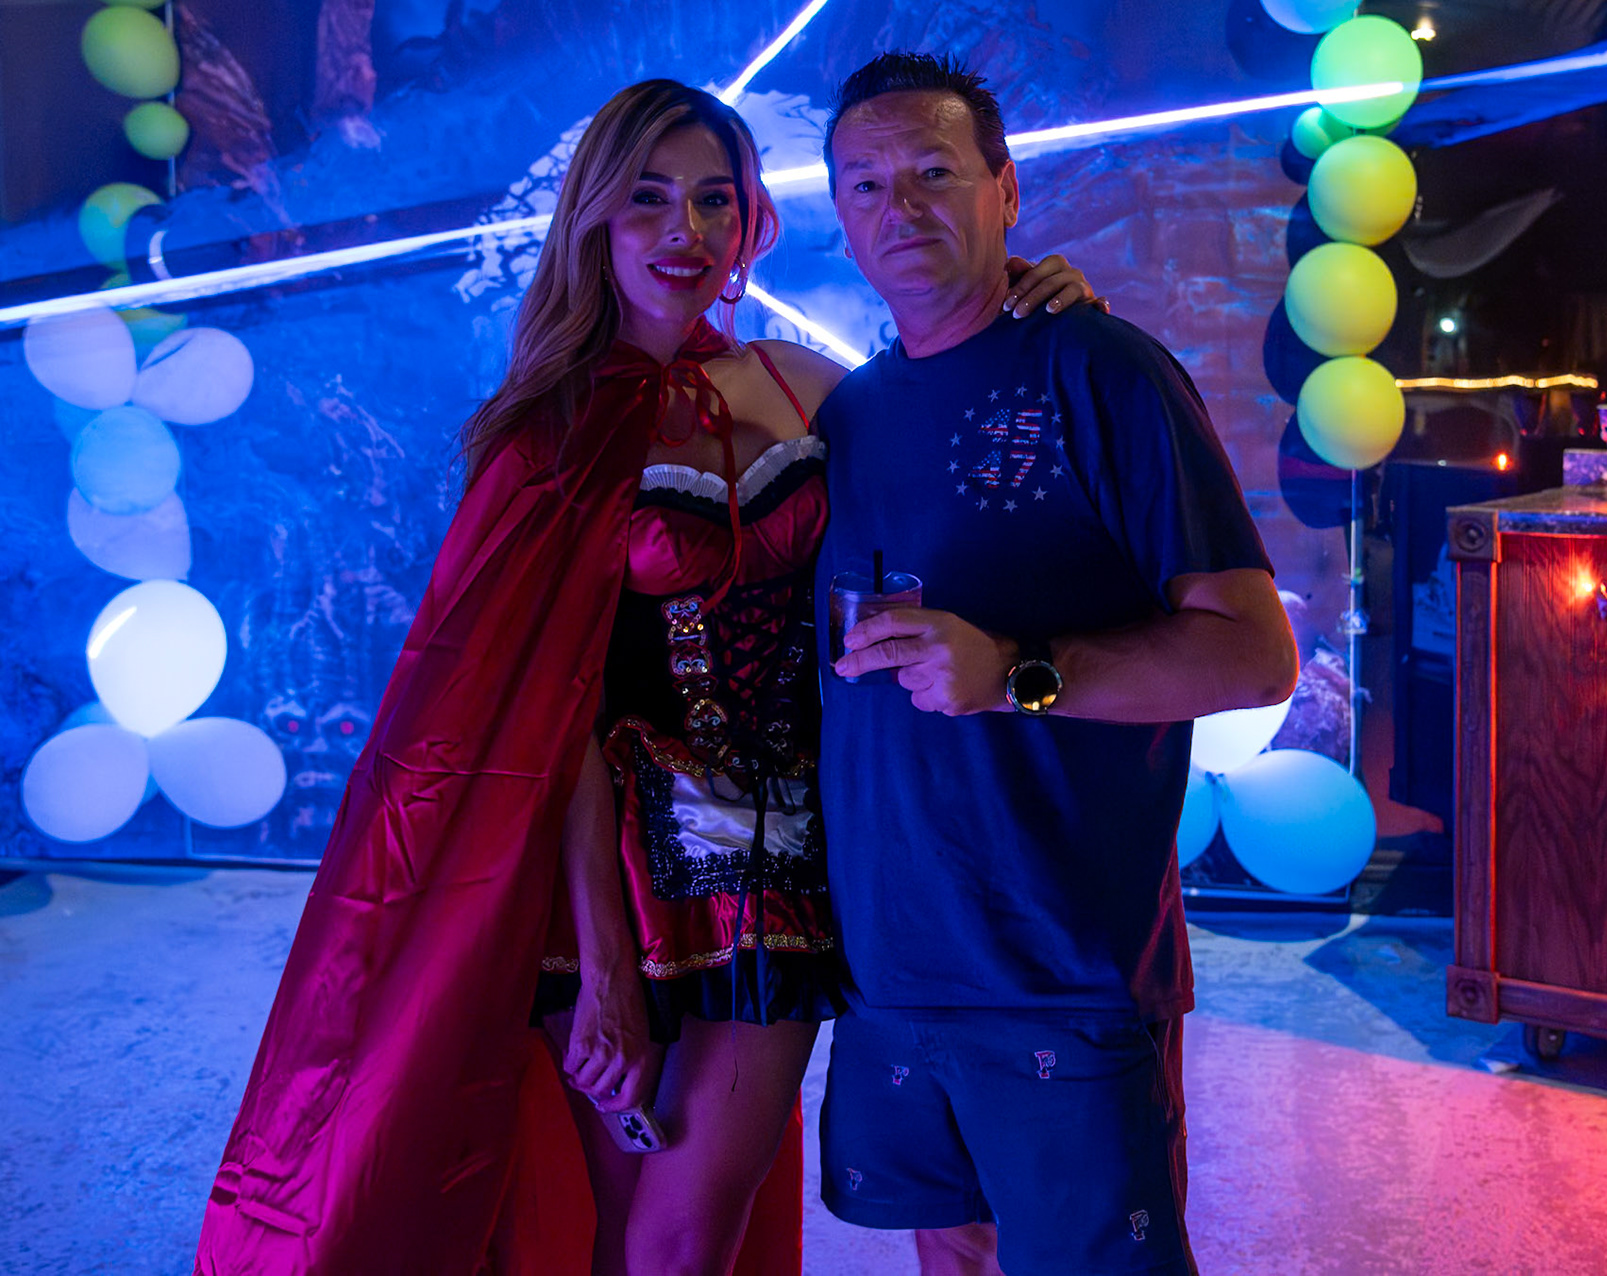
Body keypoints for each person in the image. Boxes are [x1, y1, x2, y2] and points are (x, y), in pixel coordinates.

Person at [194, 79, 1096, 1276]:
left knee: (685, 1238)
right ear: (596, 220)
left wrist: (1035, 309)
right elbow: (539, 716)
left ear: (749, 219)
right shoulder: (545, 434)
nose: (686, 231)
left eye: (714, 200)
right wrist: (607, 961)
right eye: (650, 200)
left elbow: (956, 419)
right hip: (600, 884)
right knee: (609, 1238)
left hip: (786, 875)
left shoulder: (808, 387)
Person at [811, 54, 1299, 1276]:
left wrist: (1019, 670)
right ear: (840, 217)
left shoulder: (1103, 371)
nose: (899, 207)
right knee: (952, 1256)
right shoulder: (845, 416)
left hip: (1061, 958)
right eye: (866, 184)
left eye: (934, 172)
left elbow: (1255, 655)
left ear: (1006, 191)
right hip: (892, 960)